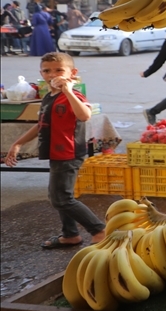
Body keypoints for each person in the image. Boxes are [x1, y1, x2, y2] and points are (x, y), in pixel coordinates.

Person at [4, 52, 106, 248]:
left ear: (72, 73)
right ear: (41, 74)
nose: (52, 75)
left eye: (59, 70)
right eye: (47, 71)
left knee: (61, 198)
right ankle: (70, 234)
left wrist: (68, 91)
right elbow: (41, 124)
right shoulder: (49, 96)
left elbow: (85, 115)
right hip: (56, 152)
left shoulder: (73, 95)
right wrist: (17, 143)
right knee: (59, 196)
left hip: (69, 152)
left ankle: (98, 229)